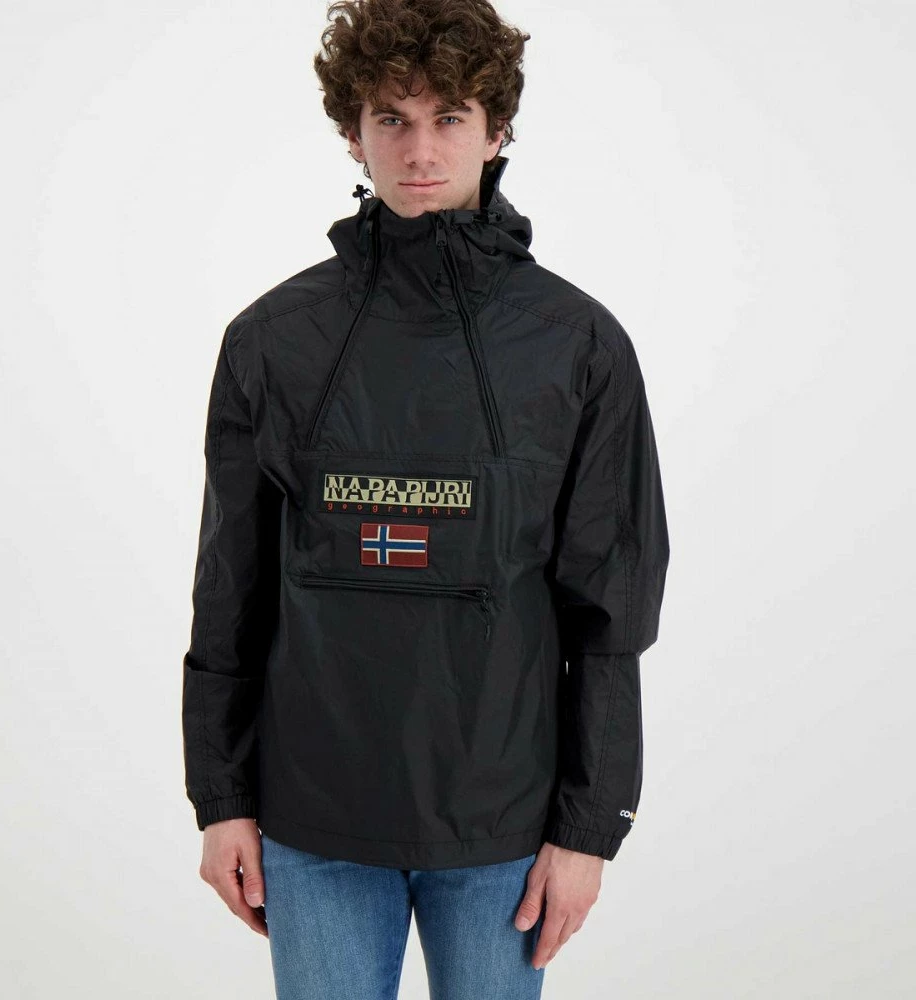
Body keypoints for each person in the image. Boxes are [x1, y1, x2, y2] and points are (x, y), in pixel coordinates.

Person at [181, 1, 670, 997]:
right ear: (352, 133)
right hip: (313, 822)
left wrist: (588, 829)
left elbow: (611, 609)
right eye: (390, 118)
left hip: (502, 830)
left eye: (449, 117)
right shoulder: (270, 341)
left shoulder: (577, 347)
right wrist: (220, 799)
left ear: (496, 130)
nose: (419, 148)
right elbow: (230, 590)